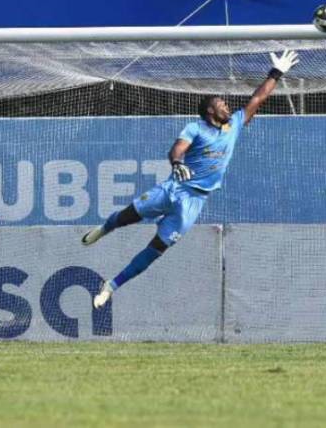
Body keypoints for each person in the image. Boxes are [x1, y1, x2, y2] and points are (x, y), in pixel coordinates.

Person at [82, 50, 299, 309]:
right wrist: (177, 164)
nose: (227, 106)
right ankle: (105, 228)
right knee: (128, 216)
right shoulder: (195, 128)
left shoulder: (236, 125)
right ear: (210, 111)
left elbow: (258, 98)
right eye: (221, 103)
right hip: (174, 188)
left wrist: (276, 73)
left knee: (155, 250)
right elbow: (176, 149)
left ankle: (111, 286)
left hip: (194, 201)